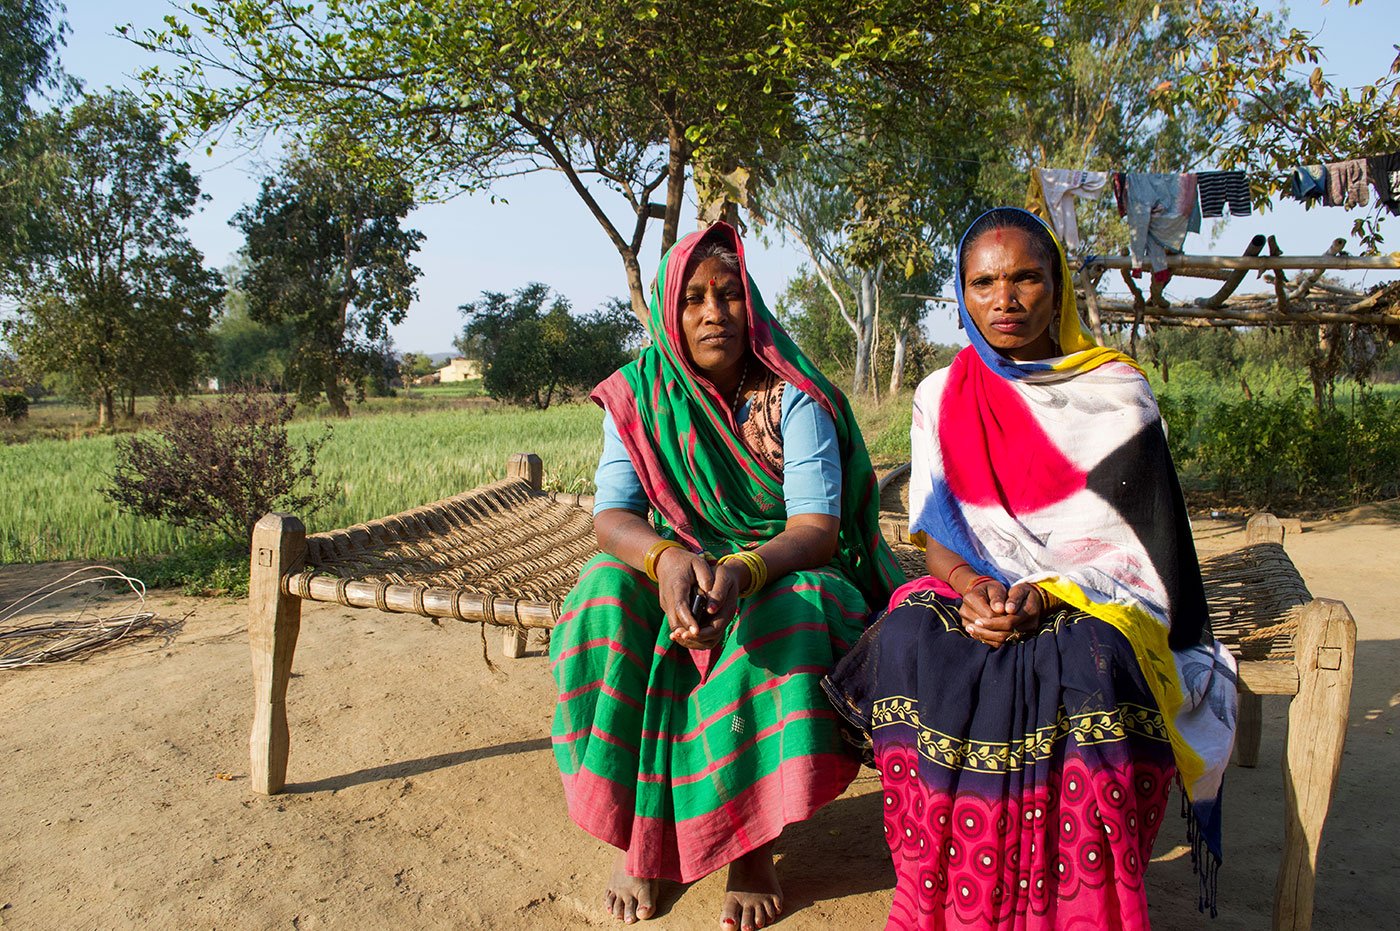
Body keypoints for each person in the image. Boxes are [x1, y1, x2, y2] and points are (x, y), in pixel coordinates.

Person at [824, 207, 1238, 930]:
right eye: (983, 282)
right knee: (909, 638)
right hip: (978, 589)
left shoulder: (1115, 394)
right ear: (962, 294)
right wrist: (970, 587)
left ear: (1059, 288)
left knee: (1087, 663)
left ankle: (1080, 906)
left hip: (1099, 601)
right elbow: (940, 536)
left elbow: (1144, 551)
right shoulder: (941, 395)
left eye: (1025, 279)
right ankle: (941, 893)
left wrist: (1048, 594)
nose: (1004, 300)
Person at [551, 222, 900, 930]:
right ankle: (639, 840)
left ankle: (753, 847)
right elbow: (612, 515)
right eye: (695, 299)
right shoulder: (640, 394)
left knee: (790, 613)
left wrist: (740, 568)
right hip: (675, 560)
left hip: (777, 566)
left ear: (753, 304)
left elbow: (816, 529)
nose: (714, 311)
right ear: (669, 314)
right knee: (602, 595)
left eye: (730, 293)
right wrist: (668, 560)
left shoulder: (793, 393)